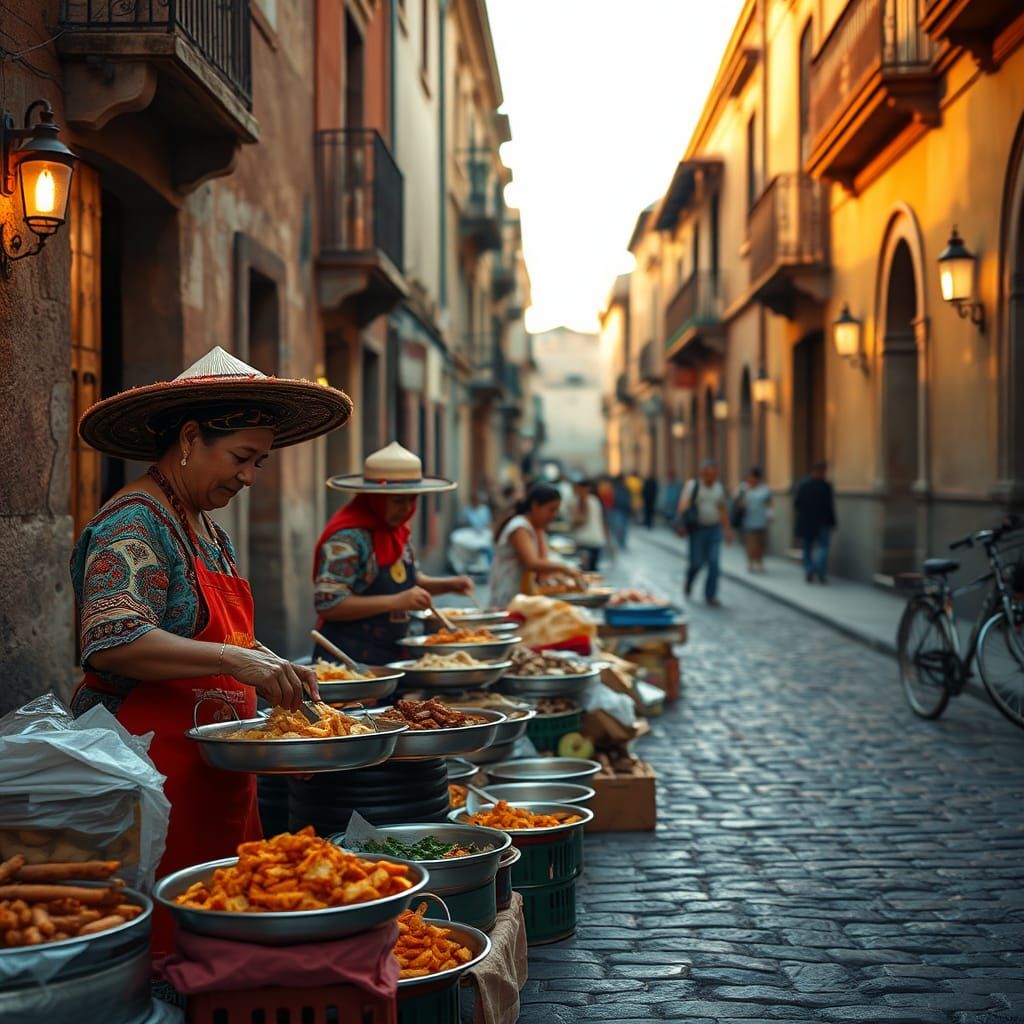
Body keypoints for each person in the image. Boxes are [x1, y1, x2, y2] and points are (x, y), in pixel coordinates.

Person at [69, 345, 352, 954]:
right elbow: (111, 638)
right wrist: (234, 660)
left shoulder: (207, 528)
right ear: (191, 438)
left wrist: (274, 665)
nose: (249, 476)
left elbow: (228, 635)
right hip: (149, 778)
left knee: (225, 930)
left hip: (219, 779)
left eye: (260, 463)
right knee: (170, 946)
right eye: (241, 457)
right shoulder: (133, 522)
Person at [312, 443, 473, 665]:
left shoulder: (397, 533)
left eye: (412, 500)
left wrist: (449, 585)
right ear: (375, 499)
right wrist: (396, 601)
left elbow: (409, 582)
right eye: (397, 501)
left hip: (390, 657)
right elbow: (329, 605)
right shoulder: (347, 540)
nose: (406, 509)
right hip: (346, 661)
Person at [488, 482, 585, 610]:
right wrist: (565, 569)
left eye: (556, 510)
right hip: (507, 597)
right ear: (535, 506)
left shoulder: (532, 527)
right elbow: (532, 563)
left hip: (518, 598)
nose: (554, 515)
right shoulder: (519, 527)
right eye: (551, 509)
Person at [678, 459, 733, 606]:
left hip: (714, 529)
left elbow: (722, 509)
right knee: (696, 563)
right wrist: (682, 524)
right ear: (702, 474)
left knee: (714, 562)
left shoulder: (718, 488)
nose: (711, 478)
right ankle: (689, 581)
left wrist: (727, 529)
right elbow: (683, 506)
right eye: (708, 474)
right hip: (698, 530)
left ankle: (710, 595)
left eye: (714, 475)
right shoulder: (693, 486)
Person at [794, 460, 837, 583]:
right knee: (817, 547)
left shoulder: (809, 485)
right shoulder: (823, 486)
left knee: (815, 547)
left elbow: (797, 504)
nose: (823, 474)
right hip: (817, 522)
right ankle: (817, 571)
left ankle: (812, 569)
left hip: (814, 522)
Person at [735, 466, 773, 572]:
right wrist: (741, 504)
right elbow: (737, 503)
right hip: (748, 521)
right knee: (750, 544)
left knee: (761, 543)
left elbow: (769, 503)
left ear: (758, 478)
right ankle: (750, 562)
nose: (751, 480)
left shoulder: (764, 489)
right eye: (750, 477)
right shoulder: (743, 488)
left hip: (761, 521)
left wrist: (770, 514)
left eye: (753, 478)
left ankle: (759, 561)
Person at [570, 478, 607, 571]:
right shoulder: (595, 500)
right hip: (597, 539)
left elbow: (582, 519)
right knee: (592, 571)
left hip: (585, 541)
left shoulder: (582, 500)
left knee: (584, 571)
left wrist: (572, 524)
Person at [609, 474, 632, 551]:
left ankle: (622, 542)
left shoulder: (626, 489)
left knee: (624, 528)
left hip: (625, 510)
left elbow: (629, 499)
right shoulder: (615, 488)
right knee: (619, 527)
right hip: (618, 510)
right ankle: (619, 542)